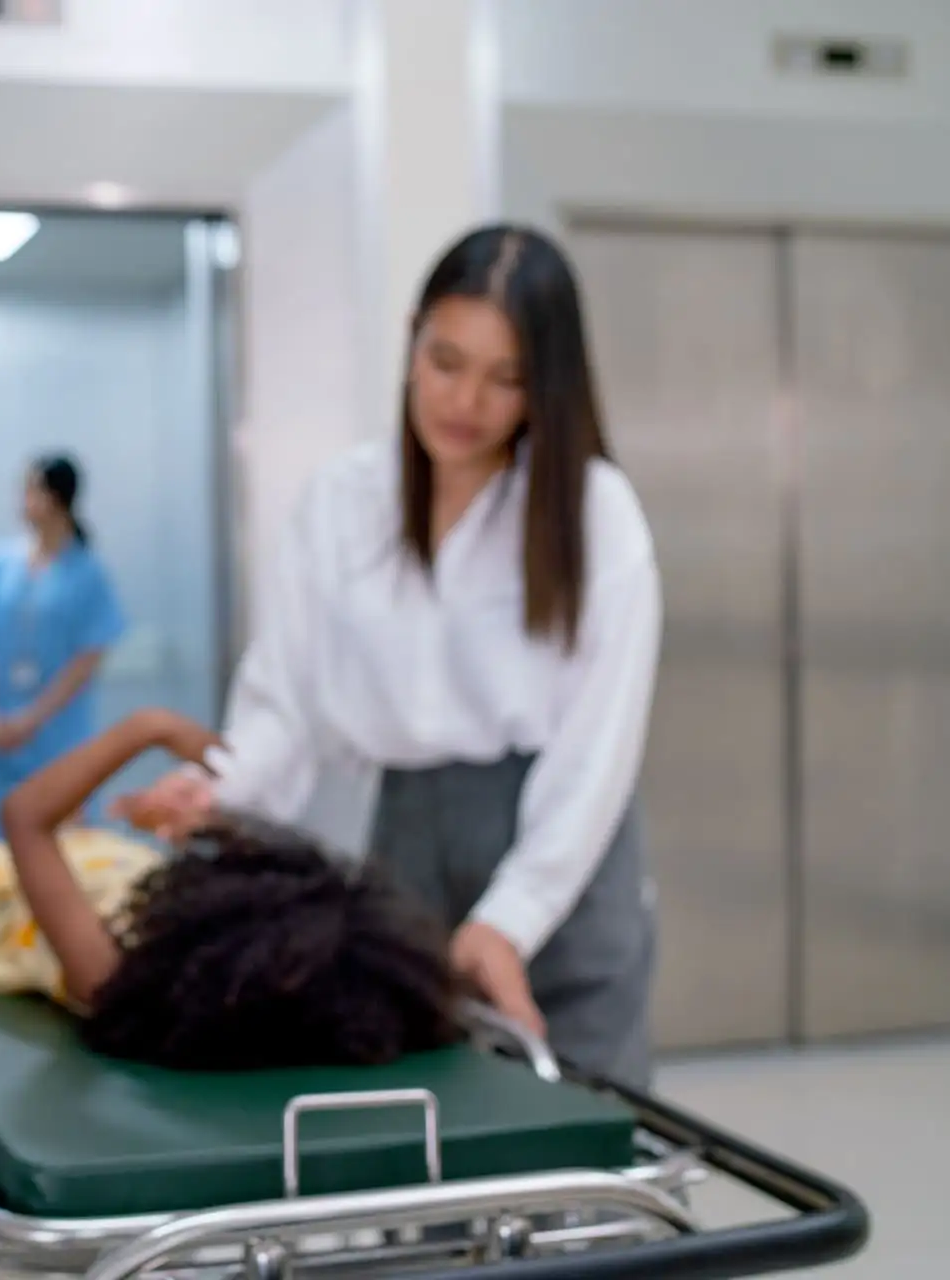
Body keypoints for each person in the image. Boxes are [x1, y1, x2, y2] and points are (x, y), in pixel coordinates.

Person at [115, 224, 664, 1091]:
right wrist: (217, 790)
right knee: (417, 1120)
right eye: (446, 361)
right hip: (406, 842)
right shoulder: (343, 503)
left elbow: (596, 755)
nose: (465, 401)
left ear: (546, 387)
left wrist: (512, 919)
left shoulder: (597, 514)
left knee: (581, 1131)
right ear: (412, 341)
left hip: (565, 852)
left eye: (506, 378)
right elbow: (286, 705)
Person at [0, 708, 466, 1072]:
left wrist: (147, 729)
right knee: (86, 844)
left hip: (14, 899)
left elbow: (25, 818)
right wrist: (196, 815)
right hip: (123, 873)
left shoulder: (111, 978)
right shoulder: (293, 986)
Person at [0, 454, 126, 834]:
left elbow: (87, 659)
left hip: (57, 733)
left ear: (55, 498)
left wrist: (32, 718)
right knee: (3, 832)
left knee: (62, 831)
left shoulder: (87, 573)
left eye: (31, 490)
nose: (22, 500)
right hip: (0, 735)